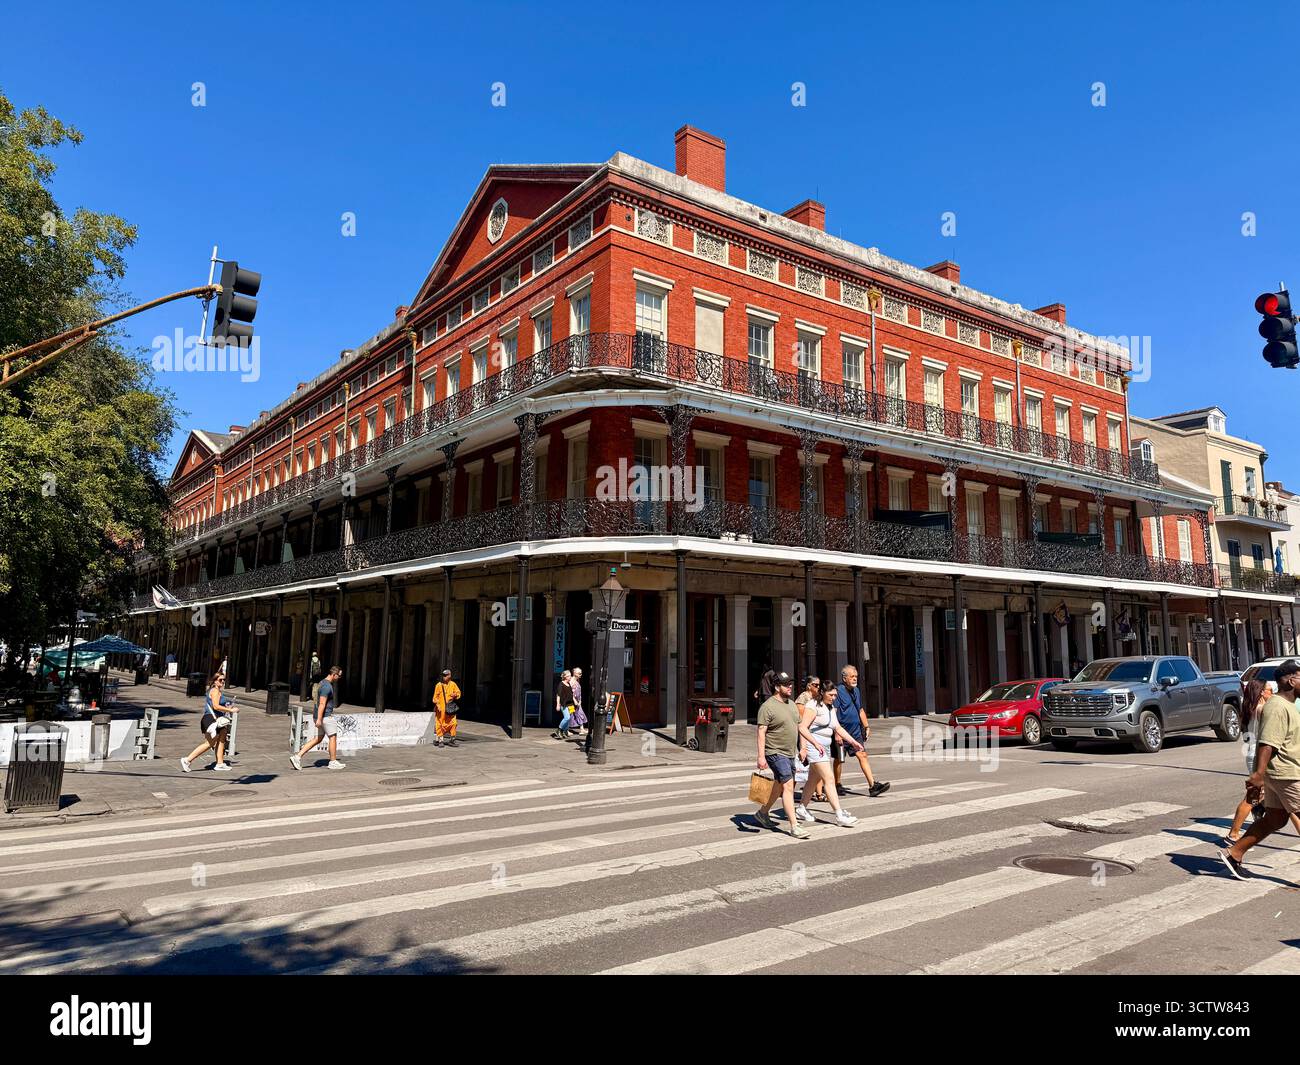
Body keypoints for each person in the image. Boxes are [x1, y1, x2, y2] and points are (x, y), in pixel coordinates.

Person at [1222, 659, 1300, 879]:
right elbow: (1267, 743)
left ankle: (1234, 853)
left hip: (1282, 773)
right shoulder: (1277, 706)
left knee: (1275, 819)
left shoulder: (1287, 705)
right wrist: (1257, 776)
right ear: (1291, 680)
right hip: (1286, 774)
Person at [754, 671, 810, 839]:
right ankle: (794, 826)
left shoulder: (792, 704)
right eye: (786, 684)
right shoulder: (767, 707)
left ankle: (762, 813)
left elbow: (800, 727)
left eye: (790, 684)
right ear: (777, 687)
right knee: (788, 785)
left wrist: (806, 746)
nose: (790, 686)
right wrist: (761, 756)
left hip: (790, 752)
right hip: (775, 752)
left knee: (780, 784)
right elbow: (761, 732)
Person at [795, 683, 860, 827]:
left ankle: (801, 808)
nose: (834, 697)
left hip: (824, 746)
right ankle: (839, 815)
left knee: (813, 779)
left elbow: (837, 727)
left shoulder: (829, 707)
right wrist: (809, 746)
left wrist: (853, 741)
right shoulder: (813, 706)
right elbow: (802, 728)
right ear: (823, 692)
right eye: (831, 695)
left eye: (835, 695)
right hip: (815, 747)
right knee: (829, 779)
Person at [827, 665, 890, 799]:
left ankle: (873, 786)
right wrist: (837, 733)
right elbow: (834, 712)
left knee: (862, 755)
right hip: (842, 731)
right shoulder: (838, 692)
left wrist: (866, 726)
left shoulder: (856, 691)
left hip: (855, 732)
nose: (855, 679)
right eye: (852, 677)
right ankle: (837, 784)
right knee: (839, 759)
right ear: (844, 678)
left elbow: (860, 709)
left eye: (856, 676)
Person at [291, 665, 346, 770]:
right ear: (334, 674)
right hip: (325, 716)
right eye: (339, 676)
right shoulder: (327, 686)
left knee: (318, 738)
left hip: (319, 716)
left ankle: (297, 756)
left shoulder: (322, 683)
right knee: (333, 737)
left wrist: (317, 717)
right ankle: (333, 761)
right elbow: (322, 703)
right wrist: (319, 719)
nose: (339, 678)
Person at [181, 671, 237, 772]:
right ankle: (187, 760)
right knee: (209, 743)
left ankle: (220, 763)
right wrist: (230, 710)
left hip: (217, 718)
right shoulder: (215, 691)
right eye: (220, 680)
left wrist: (227, 706)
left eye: (224, 680)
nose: (223, 681)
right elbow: (215, 706)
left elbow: (218, 706)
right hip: (211, 719)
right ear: (215, 681)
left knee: (222, 739)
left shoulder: (218, 691)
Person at [432, 668, 462, 747]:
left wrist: (455, 695)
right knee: (440, 724)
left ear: (450, 675)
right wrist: (438, 705)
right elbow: (435, 698)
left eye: (445, 675)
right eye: (443, 676)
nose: (444, 677)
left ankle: (452, 740)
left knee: (454, 723)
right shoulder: (439, 685)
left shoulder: (453, 684)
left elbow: (458, 693)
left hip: (450, 709)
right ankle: (440, 740)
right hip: (441, 710)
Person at [553, 669, 575, 740]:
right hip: (564, 704)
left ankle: (564, 731)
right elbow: (558, 695)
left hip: (570, 704)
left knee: (569, 719)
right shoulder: (561, 684)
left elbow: (571, 694)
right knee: (567, 717)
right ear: (565, 677)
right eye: (569, 676)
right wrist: (558, 704)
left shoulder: (569, 684)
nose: (570, 677)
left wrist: (575, 701)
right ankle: (559, 730)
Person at [570, 667, 586, 734]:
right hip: (571, 702)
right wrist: (574, 700)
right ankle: (566, 729)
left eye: (581, 673)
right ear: (574, 673)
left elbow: (579, 692)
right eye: (579, 673)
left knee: (580, 713)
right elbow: (570, 692)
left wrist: (580, 700)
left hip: (578, 702)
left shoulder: (577, 680)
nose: (581, 674)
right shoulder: (571, 681)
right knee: (571, 714)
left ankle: (582, 729)